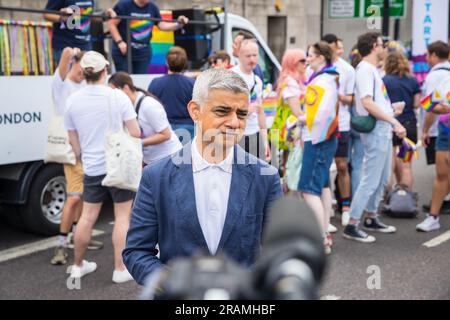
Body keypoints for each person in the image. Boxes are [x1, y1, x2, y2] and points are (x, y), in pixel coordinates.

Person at [123, 68, 282, 285]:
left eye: (241, 114)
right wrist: (176, 285)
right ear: (195, 111)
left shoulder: (266, 177)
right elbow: (137, 252)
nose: (234, 122)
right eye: (222, 111)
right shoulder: (156, 177)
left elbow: (279, 253)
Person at [64, 51, 141, 283]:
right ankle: (119, 269)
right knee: (122, 218)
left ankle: (77, 266)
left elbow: (73, 141)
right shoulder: (117, 97)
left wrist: (83, 157)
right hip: (118, 166)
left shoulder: (72, 101)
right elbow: (136, 132)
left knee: (86, 218)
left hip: (93, 167)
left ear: (82, 72)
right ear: (105, 71)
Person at [343, 32, 406, 243]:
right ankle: (352, 224)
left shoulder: (370, 70)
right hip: (377, 129)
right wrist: (394, 120)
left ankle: (371, 216)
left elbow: (373, 102)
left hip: (382, 127)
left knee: (381, 176)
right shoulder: (365, 70)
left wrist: (391, 110)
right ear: (373, 46)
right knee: (371, 178)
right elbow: (367, 103)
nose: (384, 48)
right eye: (381, 44)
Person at [49, 47, 103, 265]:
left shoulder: (83, 85)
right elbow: (64, 58)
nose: (83, 74)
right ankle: (60, 246)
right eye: (81, 69)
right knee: (73, 198)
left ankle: (78, 236)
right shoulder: (61, 84)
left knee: (83, 198)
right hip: (71, 153)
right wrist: (71, 51)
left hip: (89, 151)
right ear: (74, 64)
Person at [296, 42, 339, 254]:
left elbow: (319, 114)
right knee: (322, 187)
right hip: (325, 137)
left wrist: (300, 120)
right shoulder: (329, 79)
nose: (308, 59)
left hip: (317, 138)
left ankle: (321, 238)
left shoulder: (321, 81)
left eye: (310, 55)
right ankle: (324, 234)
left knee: (308, 189)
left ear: (322, 57)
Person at [108, 72, 182, 165]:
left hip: (169, 159)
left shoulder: (149, 105)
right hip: (152, 161)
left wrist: (139, 143)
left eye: (114, 92)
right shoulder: (128, 107)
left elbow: (166, 134)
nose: (112, 96)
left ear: (126, 88)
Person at [322, 34, 356, 227]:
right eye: (338, 47)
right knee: (324, 166)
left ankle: (345, 207)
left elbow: (352, 99)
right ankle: (325, 209)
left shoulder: (347, 70)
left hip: (341, 123)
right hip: (322, 125)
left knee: (342, 165)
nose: (340, 51)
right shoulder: (318, 67)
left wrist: (339, 95)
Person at [417, 41, 450, 232]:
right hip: (446, 131)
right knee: (442, 175)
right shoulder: (444, 78)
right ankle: (433, 217)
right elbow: (430, 104)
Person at [108, 0, 189, 74]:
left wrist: (178, 24)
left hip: (143, 53)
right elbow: (112, 24)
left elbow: (161, 25)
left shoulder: (152, 7)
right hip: (123, 52)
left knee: (140, 80)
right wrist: (120, 42)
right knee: (124, 80)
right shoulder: (124, 4)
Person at [383, 51, 421, 190]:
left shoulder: (385, 80)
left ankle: (388, 196)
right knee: (406, 165)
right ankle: (406, 197)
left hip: (391, 123)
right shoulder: (412, 80)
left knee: (390, 162)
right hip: (409, 124)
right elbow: (417, 104)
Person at [231, 40, 271, 161]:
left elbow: (260, 111)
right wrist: (244, 111)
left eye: (255, 55)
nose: (252, 59)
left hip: (254, 134)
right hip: (236, 135)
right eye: (248, 56)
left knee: (255, 176)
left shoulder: (257, 80)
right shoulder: (231, 76)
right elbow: (222, 107)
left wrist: (265, 141)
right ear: (239, 55)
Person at [44, 0, 116, 64]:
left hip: (85, 45)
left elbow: (89, 17)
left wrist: (105, 16)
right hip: (65, 46)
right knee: (67, 78)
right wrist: (63, 17)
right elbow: (46, 14)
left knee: (86, 77)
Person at [148, 46, 195, 143]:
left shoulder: (155, 83)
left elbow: (149, 107)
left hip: (163, 130)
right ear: (185, 63)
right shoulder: (192, 83)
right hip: (188, 130)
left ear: (166, 62)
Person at [272, 49, 307, 175]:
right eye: (302, 61)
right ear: (292, 63)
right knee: (293, 162)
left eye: (306, 60)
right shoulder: (289, 82)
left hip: (294, 125)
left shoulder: (300, 80)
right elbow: (296, 110)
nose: (306, 63)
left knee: (291, 160)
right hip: (290, 127)